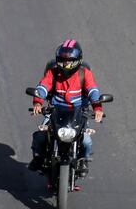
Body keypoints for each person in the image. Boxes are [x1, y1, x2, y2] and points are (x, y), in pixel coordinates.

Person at [27, 40, 104, 177]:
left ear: (77, 61)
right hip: (56, 111)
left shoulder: (84, 74)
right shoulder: (53, 73)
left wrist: (97, 108)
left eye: (69, 62)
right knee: (39, 137)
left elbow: (93, 90)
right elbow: (43, 87)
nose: (65, 65)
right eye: (62, 61)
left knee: (86, 141)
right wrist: (38, 102)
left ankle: (83, 161)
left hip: (78, 112)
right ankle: (38, 159)